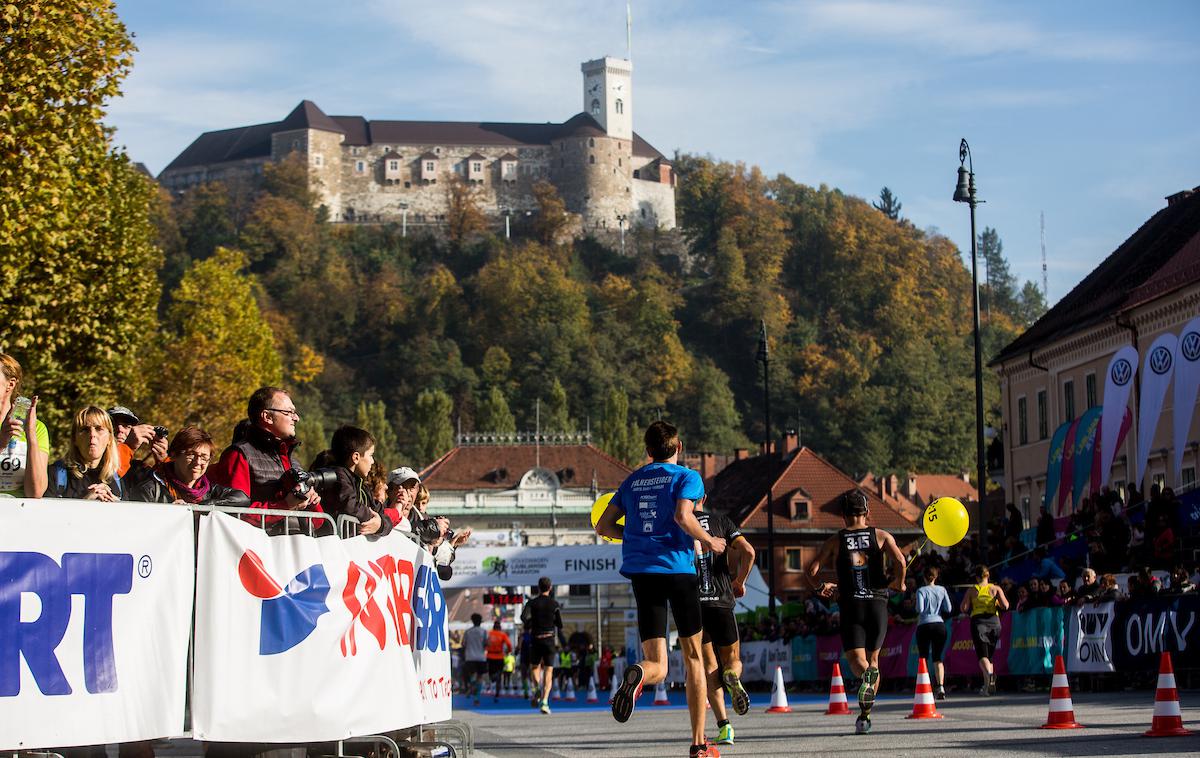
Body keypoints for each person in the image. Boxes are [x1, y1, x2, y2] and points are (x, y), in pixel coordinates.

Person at [596, 420, 723, 758]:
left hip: (642, 573)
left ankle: (639, 673)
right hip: (678, 572)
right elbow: (684, 516)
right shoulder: (687, 477)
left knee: (658, 664)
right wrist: (710, 540)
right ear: (678, 446)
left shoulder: (632, 480)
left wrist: (636, 536)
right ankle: (699, 744)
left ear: (648, 450)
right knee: (694, 657)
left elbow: (603, 525)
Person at [805, 489, 906, 735]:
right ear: (867, 513)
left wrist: (821, 587)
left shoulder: (835, 540)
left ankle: (865, 678)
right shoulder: (881, 535)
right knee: (874, 661)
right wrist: (899, 583)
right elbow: (901, 562)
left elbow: (811, 570)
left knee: (855, 660)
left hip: (851, 605)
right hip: (877, 604)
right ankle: (865, 716)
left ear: (843, 515)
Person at [209, 386, 327, 534]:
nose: (296, 418)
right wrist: (285, 505)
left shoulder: (293, 461)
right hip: (260, 552)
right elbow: (233, 514)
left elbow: (317, 522)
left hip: (298, 549)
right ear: (267, 417)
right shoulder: (240, 454)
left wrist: (311, 501)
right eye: (289, 412)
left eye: (294, 412)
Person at [693, 495, 754, 746]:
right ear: (704, 497)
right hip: (722, 601)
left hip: (694, 604)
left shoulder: (679, 523)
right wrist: (740, 581)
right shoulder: (722, 522)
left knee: (708, 667)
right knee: (732, 660)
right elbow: (749, 551)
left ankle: (725, 727)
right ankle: (732, 676)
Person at [126, 426, 249, 507]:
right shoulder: (151, 489)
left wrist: (199, 507)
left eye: (204, 457)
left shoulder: (209, 491)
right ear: (174, 455)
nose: (198, 462)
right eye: (191, 455)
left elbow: (242, 498)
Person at [316, 425, 392, 537]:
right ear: (356, 457)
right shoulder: (336, 478)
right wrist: (372, 517)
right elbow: (350, 506)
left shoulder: (362, 487)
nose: (372, 461)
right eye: (371, 455)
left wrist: (380, 524)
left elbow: (383, 512)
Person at [46, 406, 126, 500]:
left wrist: (118, 506)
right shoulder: (54, 475)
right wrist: (85, 504)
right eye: (85, 430)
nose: (92, 435)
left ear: (109, 438)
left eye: (99, 429)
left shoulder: (117, 480)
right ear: (74, 439)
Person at [0, 353, 47, 498]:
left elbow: (36, 492)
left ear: (11, 384)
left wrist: (30, 433)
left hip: (19, 515)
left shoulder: (37, 428)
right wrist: (1, 442)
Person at [961, 565, 1010, 696]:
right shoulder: (995, 588)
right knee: (989, 656)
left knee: (982, 655)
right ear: (988, 576)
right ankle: (987, 687)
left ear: (977, 577)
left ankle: (989, 676)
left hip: (979, 622)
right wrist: (996, 603)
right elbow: (1005, 605)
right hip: (995, 622)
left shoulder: (972, 590)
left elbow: (964, 608)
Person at [520, 576, 565, 714]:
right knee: (548, 670)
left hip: (536, 639)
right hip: (549, 640)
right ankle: (545, 702)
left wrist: (531, 623)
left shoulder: (531, 603)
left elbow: (523, 617)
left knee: (534, 667)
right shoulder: (554, 604)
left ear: (538, 588)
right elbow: (560, 624)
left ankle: (536, 688)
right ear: (550, 588)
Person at [914, 566, 951, 699]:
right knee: (937, 657)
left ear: (924, 577)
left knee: (923, 657)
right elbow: (949, 608)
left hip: (924, 624)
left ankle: (925, 685)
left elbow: (920, 608)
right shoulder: (942, 590)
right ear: (936, 577)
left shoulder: (921, 591)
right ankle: (940, 686)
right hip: (939, 624)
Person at [107, 405, 168, 478]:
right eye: (113, 425)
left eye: (126, 426)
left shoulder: (138, 469)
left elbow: (169, 487)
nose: (120, 430)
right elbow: (110, 477)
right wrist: (128, 447)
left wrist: (163, 463)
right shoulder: (94, 462)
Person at [461, 613, 489, 706]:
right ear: (480, 622)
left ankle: (471, 686)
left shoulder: (468, 632)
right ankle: (477, 697)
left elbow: (463, 644)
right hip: (481, 657)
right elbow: (486, 644)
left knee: (472, 675)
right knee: (480, 677)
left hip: (470, 657)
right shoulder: (484, 632)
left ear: (472, 621)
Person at [486, 620, 513, 703]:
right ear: (500, 627)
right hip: (499, 656)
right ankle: (497, 692)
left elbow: (485, 643)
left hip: (490, 656)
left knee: (491, 673)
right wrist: (508, 651)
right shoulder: (502, 635)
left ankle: (493, 680)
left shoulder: (489, 634)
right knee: (499, 674)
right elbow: (509, 644)